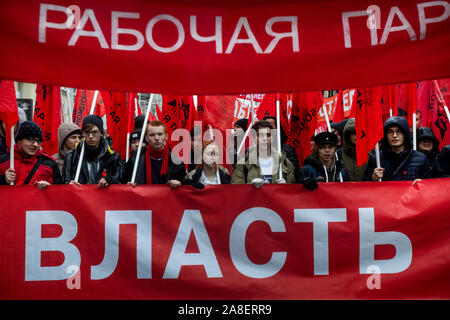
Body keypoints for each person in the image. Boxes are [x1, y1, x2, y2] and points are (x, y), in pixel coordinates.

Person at [63, 115, 122, 187]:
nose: (90, 136)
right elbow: (64, 182)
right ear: (83, 134)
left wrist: (108, 180)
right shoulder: (72, 156)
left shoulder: (112, 156)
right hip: (80, 197)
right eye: (87, 132)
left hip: (103, 197)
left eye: (94, 132)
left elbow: (118, 178)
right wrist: (69, 184)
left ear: (101, 133)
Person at [365, 116, 430, 181]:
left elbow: (430, 186)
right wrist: (372, 178)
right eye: (390, 132)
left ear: (405, 134)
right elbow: (365, 186)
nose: (394, 135)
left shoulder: (421, 159)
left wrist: (422, 184)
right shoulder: (377, 159)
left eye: (398, 131)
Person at [123, 120, 186, 188]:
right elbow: (124, 182)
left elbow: (183, 185)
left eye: (160, 134)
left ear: (166, 136)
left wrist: (178, 182)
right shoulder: (135, 159)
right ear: (146, 138)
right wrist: (128, 184)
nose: (156, 138)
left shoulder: (176, 162)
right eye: (152, 135)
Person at [231, 120, 295, 187]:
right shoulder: (243, 163)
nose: (265, 139)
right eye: (260, 135)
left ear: (272, 138)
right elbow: (236, 189)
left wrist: (287, 186)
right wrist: (250, 186)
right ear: (254, 138)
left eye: (268, 135)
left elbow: (293, 191)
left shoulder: (284, 162)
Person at [0, 121, 62, 189]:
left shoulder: (50, 164)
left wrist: (49, 188)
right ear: (19, 140)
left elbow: (59, 194)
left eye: (38, 141)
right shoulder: (2, 161)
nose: (35, 145)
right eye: (31, 139)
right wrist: (3, 180)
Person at [262, 115, 300, 181]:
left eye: (270, 125)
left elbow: (294, 173)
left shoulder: (287, 150)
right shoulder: (251, 152)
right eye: (264, 125)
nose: (267, 127)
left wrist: (287, 183)